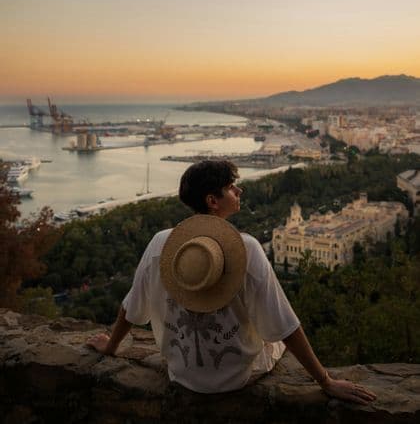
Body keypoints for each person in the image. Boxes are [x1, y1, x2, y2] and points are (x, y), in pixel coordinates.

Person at [87, 160, 376, 404]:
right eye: (231, 187)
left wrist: (112, 347)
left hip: (182, 374)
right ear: (212, 201)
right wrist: (325, 381)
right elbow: (286, 325)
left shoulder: (160, 244)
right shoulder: (246, 248)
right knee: (272, 340)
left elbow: (131, 307)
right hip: (237, 378)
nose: (239, 190)